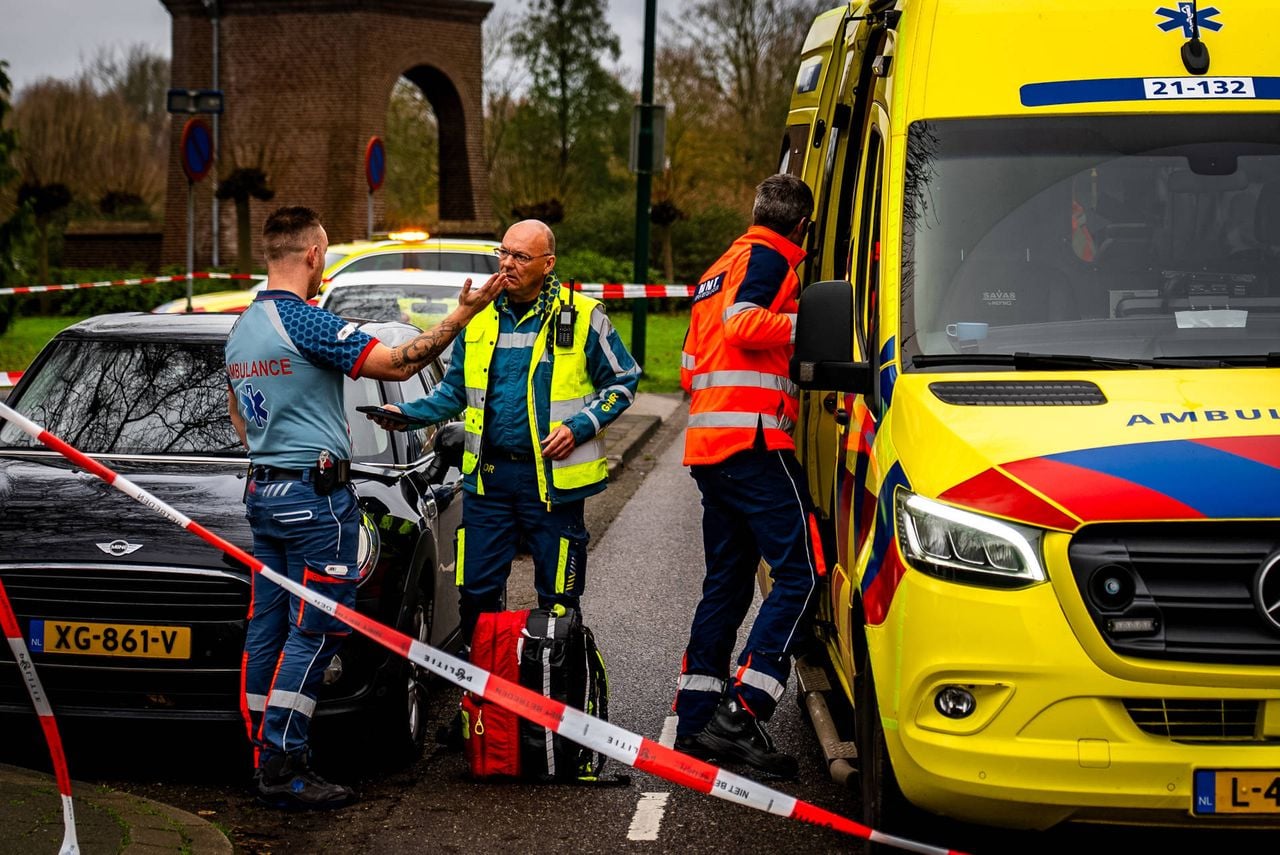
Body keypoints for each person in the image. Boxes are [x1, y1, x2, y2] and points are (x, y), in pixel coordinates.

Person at [226, 205, 501, 809]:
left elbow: (239, 417)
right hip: (313, 499)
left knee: (266, 628)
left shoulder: (242, 328)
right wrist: (465, 311)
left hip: (263, 494)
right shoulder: (308, 323)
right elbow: (402, 361)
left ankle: (258, 751)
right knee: (319, 628)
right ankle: (285, 762)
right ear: (314, 255)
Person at [370, 219, 640, 643]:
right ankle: (482, 701)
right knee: (475, 597)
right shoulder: (477, 318)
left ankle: (553, 696)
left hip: (552, 483)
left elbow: (624, 382)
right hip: (489, 481)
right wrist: (405, 414)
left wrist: (579, 427)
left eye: (520, 256)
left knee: (558, 602)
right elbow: (451, 394)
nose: (507, 263)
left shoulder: (584, 315)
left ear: (548, 264)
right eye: (504, 252)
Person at [671, 174, 821, 779]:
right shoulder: (771, 255)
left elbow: (688, 365)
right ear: (802, 227)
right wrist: (808, 324)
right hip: (753, 441)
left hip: (711, 445)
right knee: (804, 570)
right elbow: (744, 324)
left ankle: (697, 720)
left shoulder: (720, 264)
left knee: (728, 584)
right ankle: (746, 708)